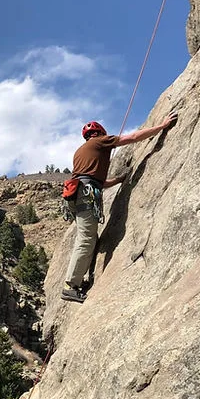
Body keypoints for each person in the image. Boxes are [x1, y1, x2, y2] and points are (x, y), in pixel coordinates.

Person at [61, 112, 178, 303]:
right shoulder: (100, 141)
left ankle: (77, 278)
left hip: (76, 195)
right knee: (86, 239)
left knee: (89, 237)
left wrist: (118, 180)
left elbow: (94, 180)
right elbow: (131, 138)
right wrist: (161, 126)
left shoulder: (80, 151)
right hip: (84, 194)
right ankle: (70, 286)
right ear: (99, 133)